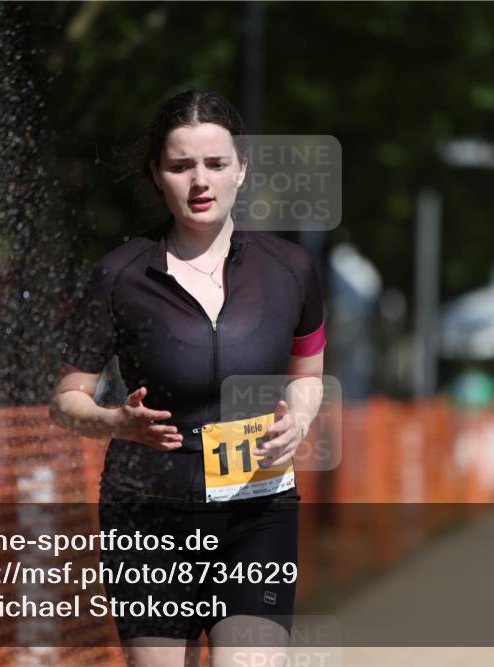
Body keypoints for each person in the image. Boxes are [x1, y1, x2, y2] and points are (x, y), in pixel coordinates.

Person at [50, 89, 326, 667]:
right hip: (147, 513)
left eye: (215, 164)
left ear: (241, 170)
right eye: (180, 166)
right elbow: (65, 402)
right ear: (156, 173)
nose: (199, 181)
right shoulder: (118, 275)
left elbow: (308, 375)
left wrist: (299, 417)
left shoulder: (291, 270)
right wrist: (115, 422)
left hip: (257, 510)